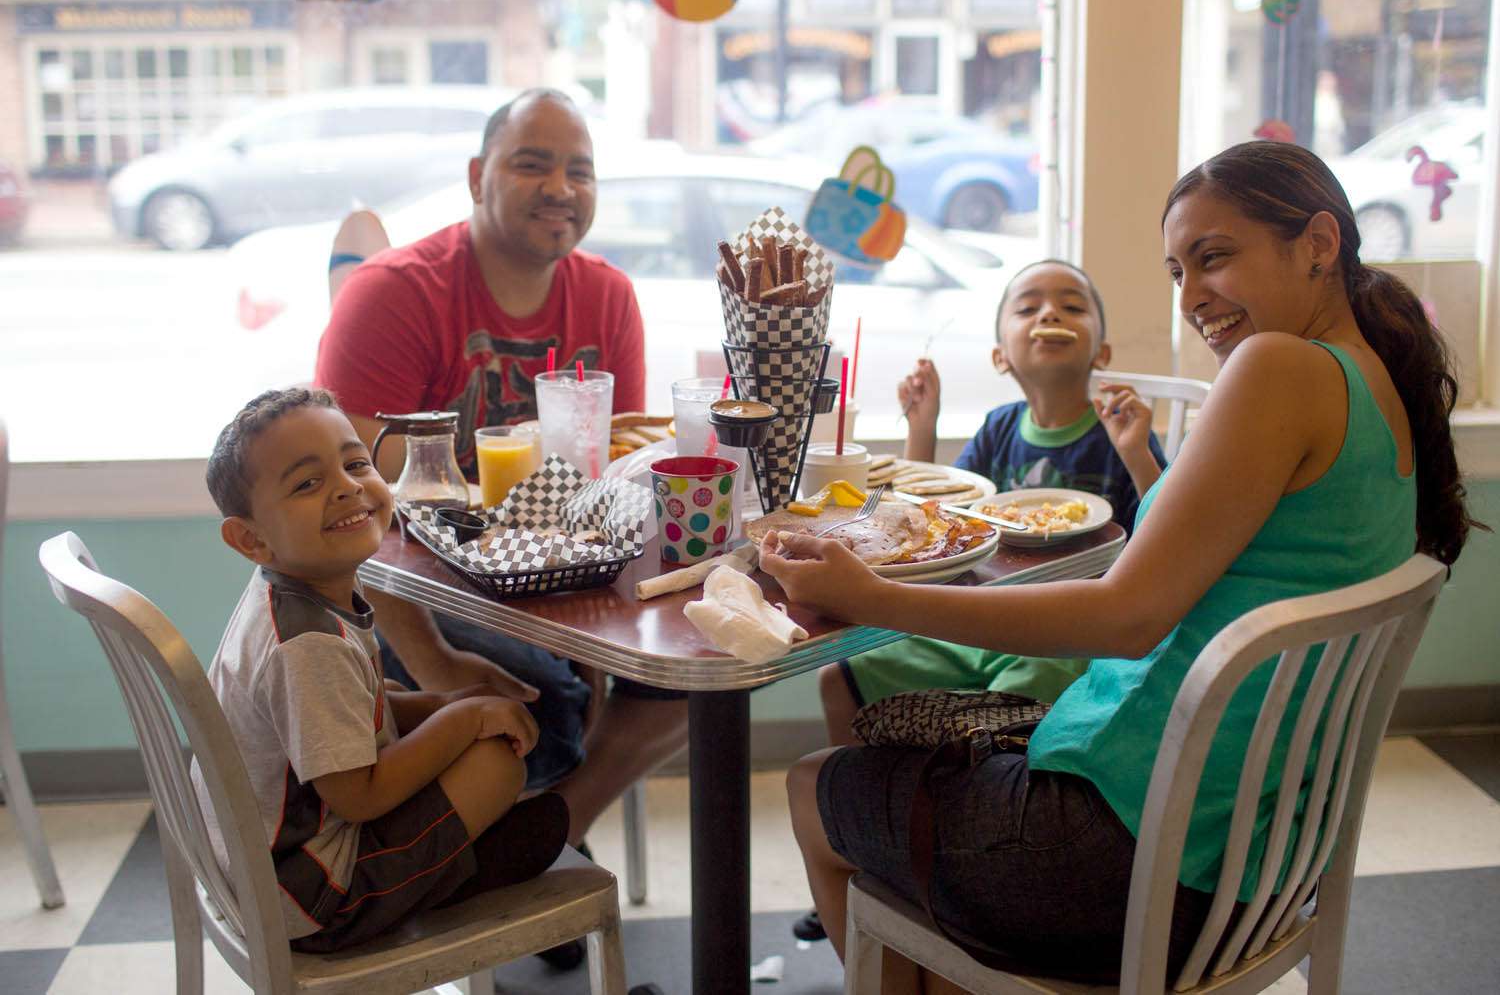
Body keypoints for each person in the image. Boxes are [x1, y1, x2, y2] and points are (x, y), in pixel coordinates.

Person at [763, 141, 1479, 988]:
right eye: (1179, 271)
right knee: (894, 738)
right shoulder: (1375, 391)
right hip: (1250, 858)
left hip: (1132, 858)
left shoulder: (1279, 368)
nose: (1193, 298)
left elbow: (1125, 612)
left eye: (1214, 259)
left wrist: (876, 596)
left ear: (1319, 242)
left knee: (818, 786)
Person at [314, 89, 688, 869]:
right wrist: (436, 665)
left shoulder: (608, 296)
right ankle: (497, 861)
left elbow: (612, 490)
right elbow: (351, 524)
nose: (561, 187)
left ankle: (537, 846)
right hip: (403, 597)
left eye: (580, 171)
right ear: (478, 174)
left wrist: (593, 644)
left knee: (697, 676)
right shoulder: (394, 294)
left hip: (557, 585)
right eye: (533, 164)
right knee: (546, 707)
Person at [792, 260, 1167, 944]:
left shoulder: (1113, 432)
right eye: (1028, 306)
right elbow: (937, 519)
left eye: (1071, 306)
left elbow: (1165, 539)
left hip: (1068, 640)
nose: (1049, 314)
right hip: (980, 625)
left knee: (1015, 719)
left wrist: (1139, 452)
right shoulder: (999, 428)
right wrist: (922, 428)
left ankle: (967, 844)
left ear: (1103, 352)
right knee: (837, 674)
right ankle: (859, 844)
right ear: (1000, 354)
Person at [197, 388, 568, 952]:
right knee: (496, 765)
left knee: (428, 708)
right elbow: (358, 796)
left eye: (355, 464)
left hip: (268, 865)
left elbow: (343, 716)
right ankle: (450, 874)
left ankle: (454, 857)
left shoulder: (291, 590)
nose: (346, 486)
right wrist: (464, 720)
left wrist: (442, 706)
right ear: (250, 538)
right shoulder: (308, 644)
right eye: (307, 483)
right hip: (313, 897)